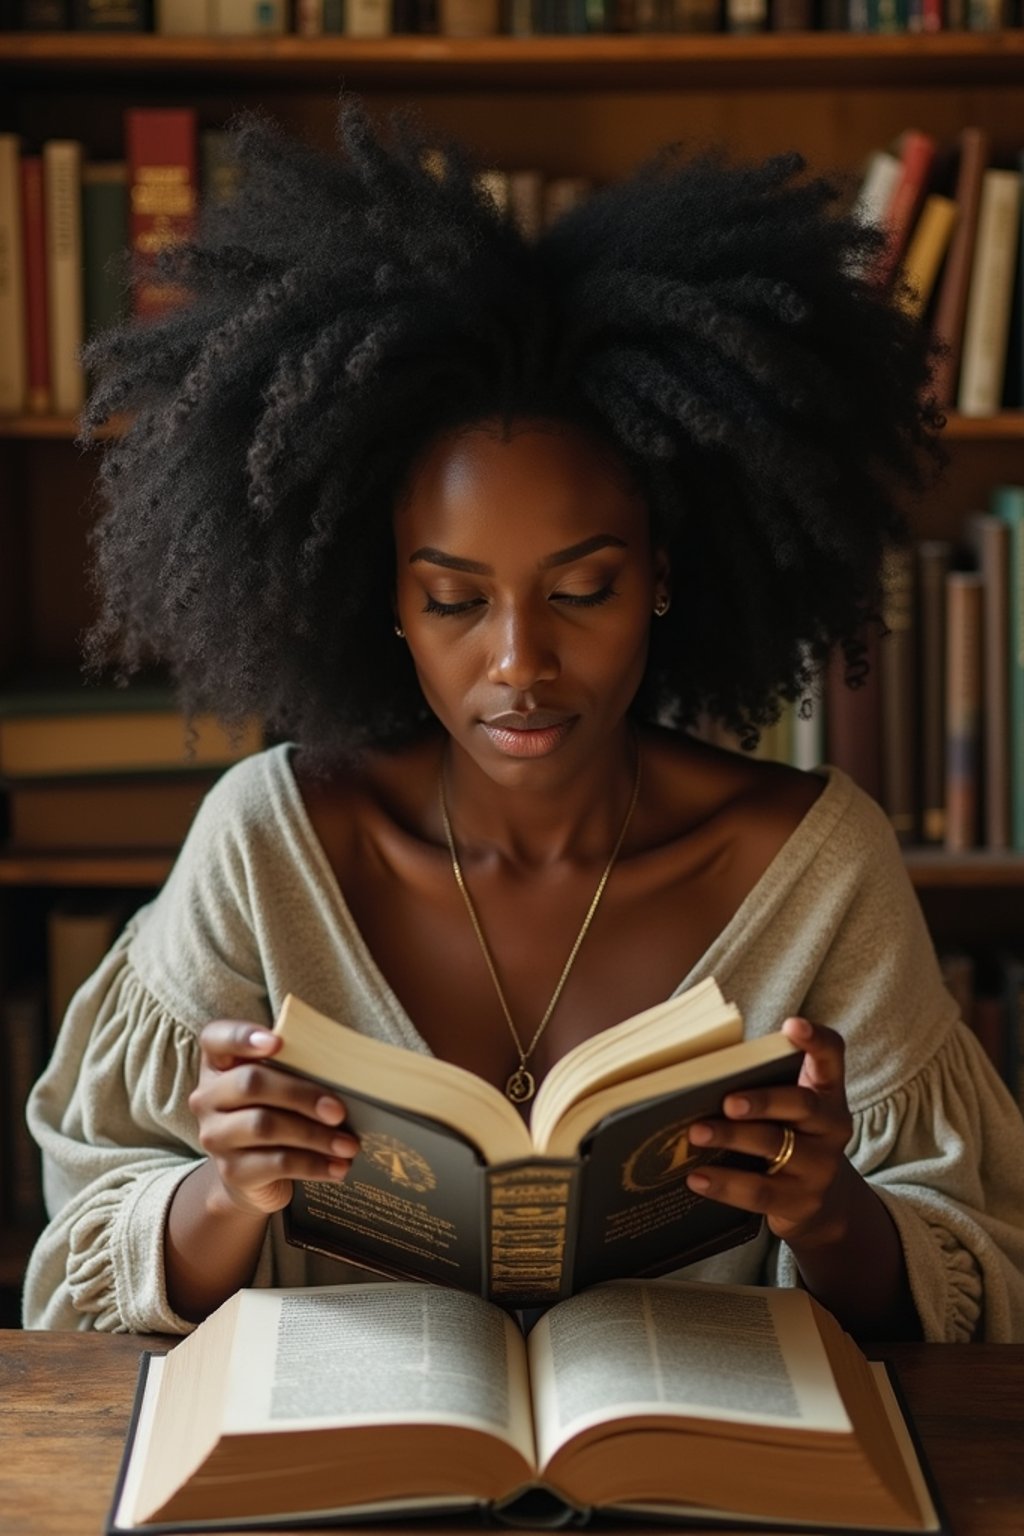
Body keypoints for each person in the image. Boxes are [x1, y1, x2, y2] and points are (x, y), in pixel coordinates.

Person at [23, 98, 1024, 1342]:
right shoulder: (273, 847)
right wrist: (221, 1197)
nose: (519, 663)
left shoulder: (819, 870)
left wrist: (834, 1218)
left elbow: (979, 1285)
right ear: (379, 592)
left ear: (662, 574)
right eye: (453, 598)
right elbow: (77, 1270)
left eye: (582, 591)